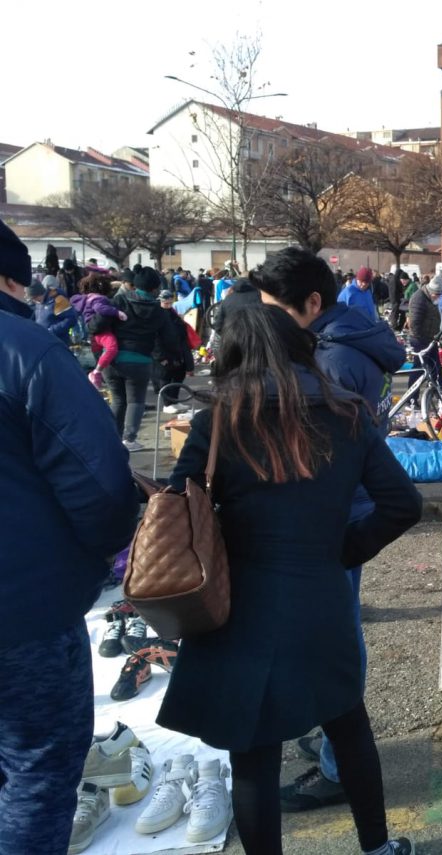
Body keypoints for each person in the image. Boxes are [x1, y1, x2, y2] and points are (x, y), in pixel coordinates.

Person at [161, 305, 420, 855]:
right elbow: (403, 504)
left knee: (253, 753)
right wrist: (343, 550)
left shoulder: (217, 423)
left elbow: (178, 513)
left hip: (239, 602)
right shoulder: (347, 415)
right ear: (303, 349)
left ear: (232, 355)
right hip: (320, 591)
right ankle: (377, 847)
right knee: (346, 722)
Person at [0, 218, 138, 855]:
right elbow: (100, 484)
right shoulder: (25, 350)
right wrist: (107, 554)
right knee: (38, 770)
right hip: (24, 613)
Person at [110, 267, 180, 451]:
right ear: (155, 288)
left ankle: (111, 438)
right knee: (135, 401)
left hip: (112, 357)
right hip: (139, 360)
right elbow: (170, 338)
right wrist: (174, 357)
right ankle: (129, 439)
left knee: (118, 400)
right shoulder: (158, 311)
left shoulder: (120, 300)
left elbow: (102, 322)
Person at [70, 272, 128, 388]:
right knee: (112, 348)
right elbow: (100, 308)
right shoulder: (98, 299)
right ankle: (96, 372)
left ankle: (98, 380)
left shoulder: (87, 298)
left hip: (92, 331)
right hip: (102, 331)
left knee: (98, 355)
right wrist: (117, 312)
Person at [154, 290, 195, 412]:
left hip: (177, 349)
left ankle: (174, 401)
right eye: (166, 303)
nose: (168, 305)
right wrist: (160, 357)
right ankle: (167, 404)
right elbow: (155, 338)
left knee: (178, 375)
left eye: (170, 303)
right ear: (160, 301)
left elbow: (181, 330)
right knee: (165, 378)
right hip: (164, 351)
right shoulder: (156, 314)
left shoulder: (172, 313)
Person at [408, 276, 442, 395]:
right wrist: (423, 341)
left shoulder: (430, 298)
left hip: (429, 339)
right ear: (430, 291)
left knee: (436, 369)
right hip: (420, 340)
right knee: (419, 370)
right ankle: (412, 398)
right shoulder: (418, 298)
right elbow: (414, 323)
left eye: (440, 295)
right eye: (437, 294)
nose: (438, 297)